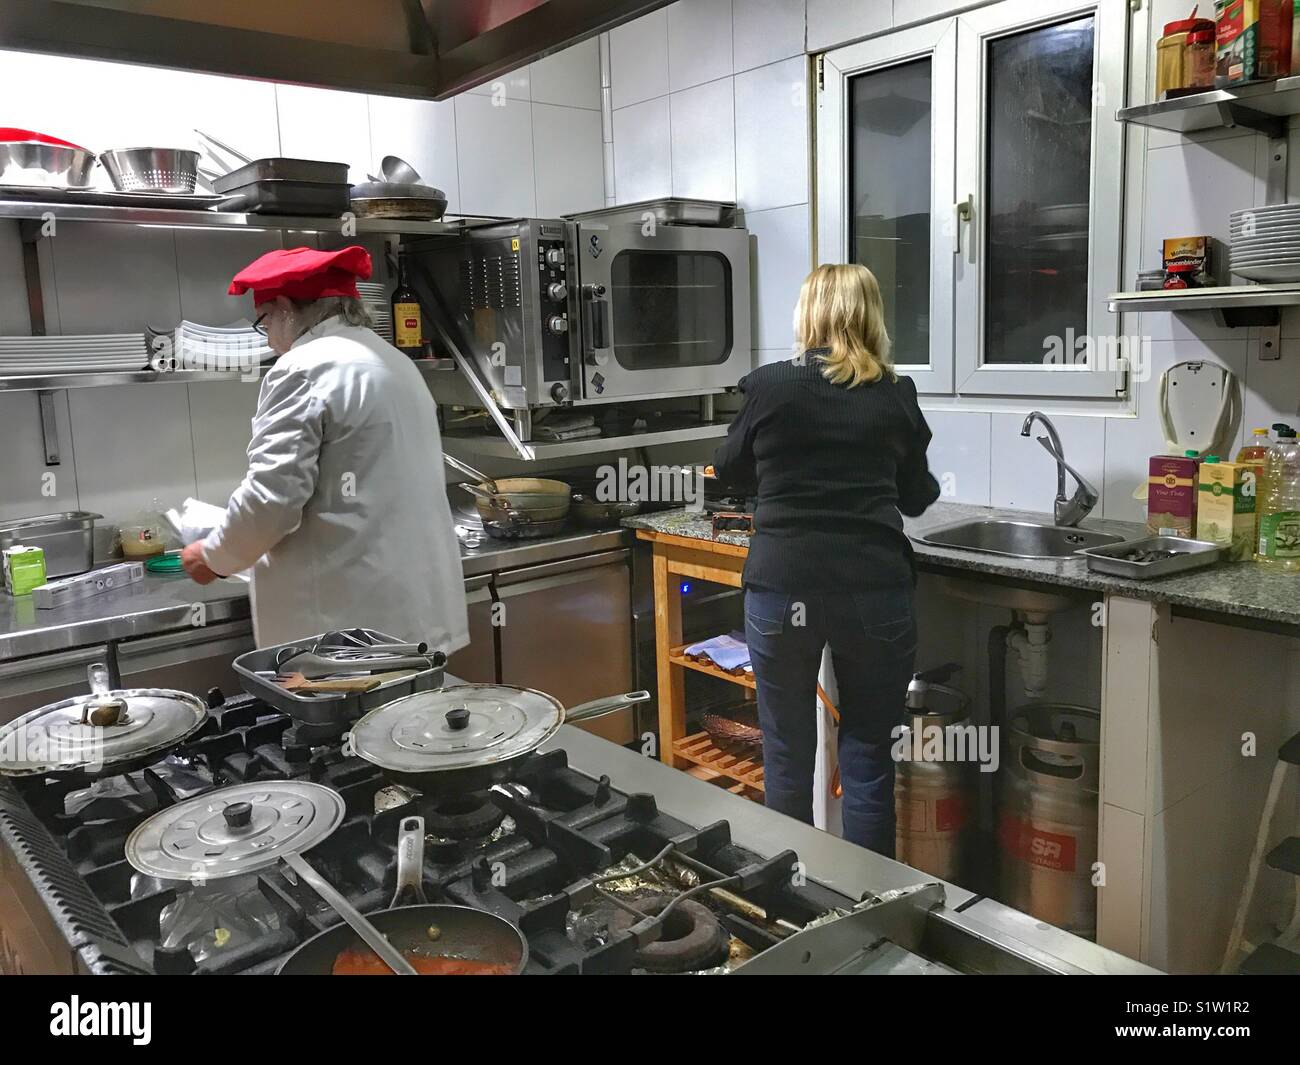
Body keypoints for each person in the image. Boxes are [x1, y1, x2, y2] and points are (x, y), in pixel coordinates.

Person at [711, 263, 939, 854]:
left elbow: (730, 471)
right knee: (868, 755)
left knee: (785, 754)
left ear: (808, 314)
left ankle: (785, 896)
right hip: (875, 590)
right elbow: (917, 497)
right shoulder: (894, 392)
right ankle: (869, 907)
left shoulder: (768, 384)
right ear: (871, 316)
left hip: (783, 587)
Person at [181, 245, 468, 653]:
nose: (271, 340)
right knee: (408, 718)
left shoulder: (303, 368)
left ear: (283, 306)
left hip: (347, 635)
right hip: (414, 616)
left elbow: (272, 501)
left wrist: (213, 556)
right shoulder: (396, 362)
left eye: (264, 322)